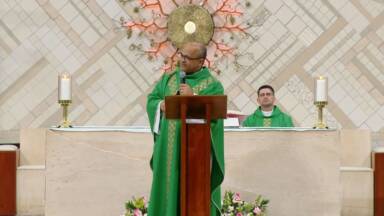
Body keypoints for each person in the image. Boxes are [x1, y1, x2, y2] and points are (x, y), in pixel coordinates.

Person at [146, 42, 224, 216]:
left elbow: (216, 119)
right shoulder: (169, 78)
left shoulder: (213, 85)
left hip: (197, 155)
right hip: (169, 148)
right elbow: (152, 100)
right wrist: (161, 105)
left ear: (201, 61)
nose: (182, 60)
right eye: (181, 55)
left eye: (188, 58)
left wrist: (193, 98)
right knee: (168, 186)